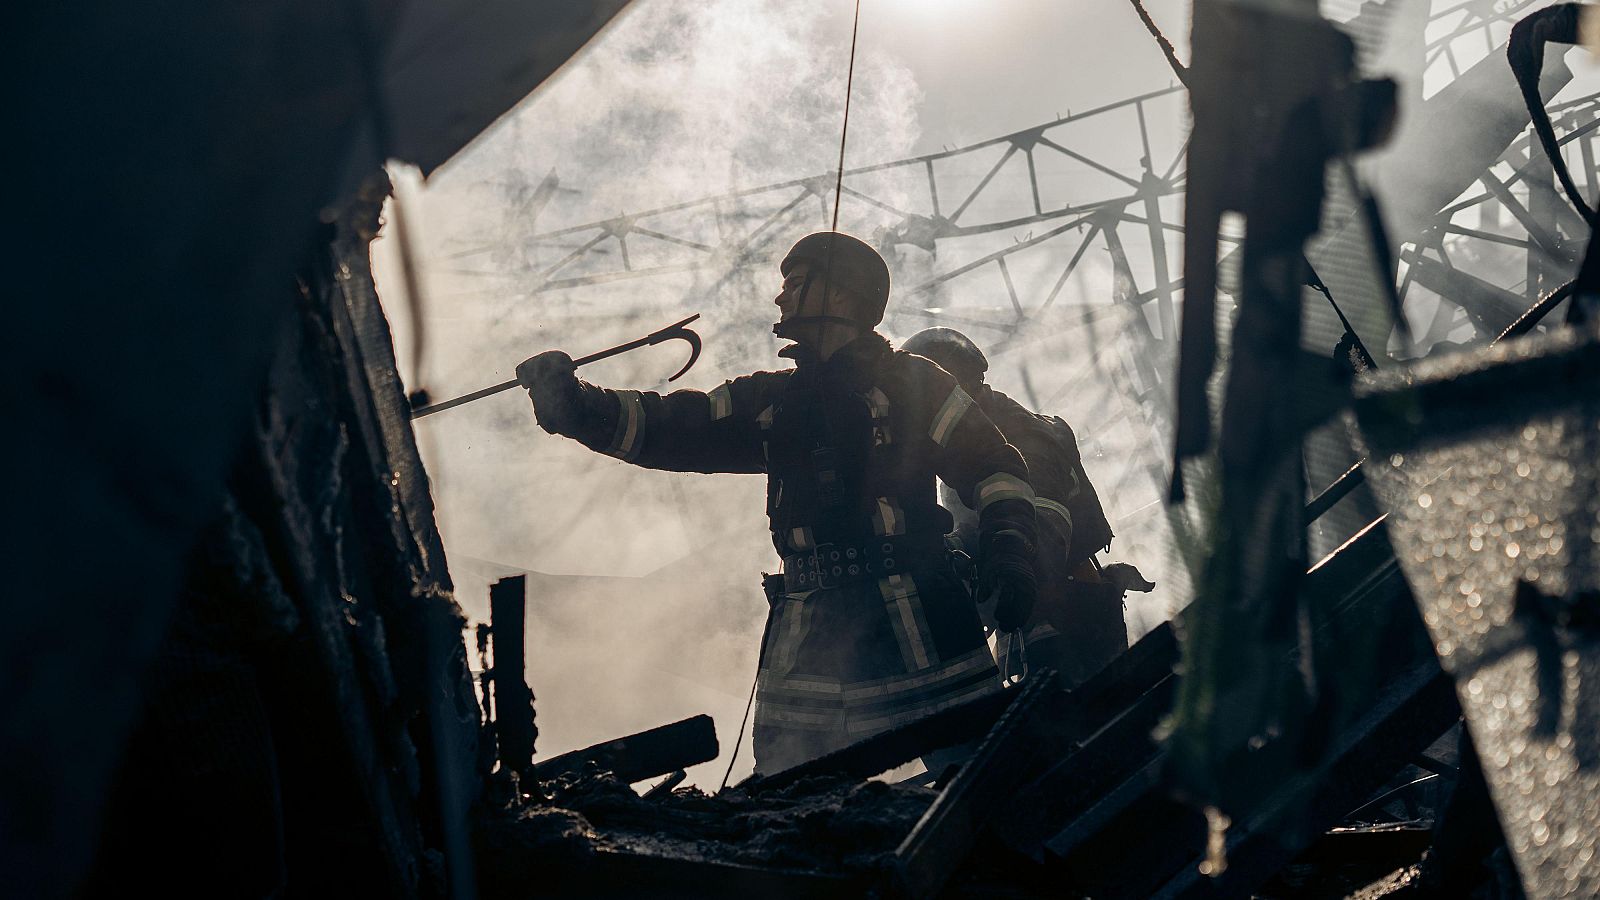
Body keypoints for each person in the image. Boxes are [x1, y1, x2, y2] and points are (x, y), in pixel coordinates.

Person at [516, 232, 1039, 774]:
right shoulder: (772, 400)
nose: (780, 298)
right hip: (810, 630)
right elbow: (672, 427)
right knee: (789, 796)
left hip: (922, 622)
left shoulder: (914, 386)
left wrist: (1011, 551)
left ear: (840, 297)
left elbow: (996, 469)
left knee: (978, 783)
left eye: (794, 283)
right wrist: (574, 406)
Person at [901, 327, 1151, 688]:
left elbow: (1042, 533)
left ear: (952, 385)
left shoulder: (1014, 435)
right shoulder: (970, 443)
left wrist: (956, 554)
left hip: (1063, 620)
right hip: (1033, 619)